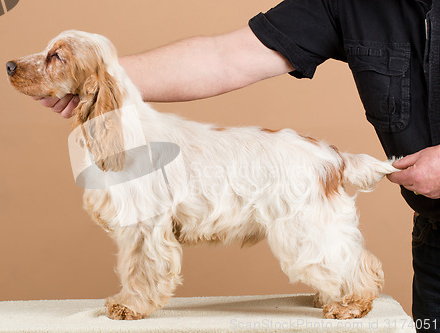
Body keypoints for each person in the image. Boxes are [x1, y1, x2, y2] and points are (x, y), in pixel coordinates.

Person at [36, 1, 440, 331]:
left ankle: (354, 283)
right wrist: (95, 76)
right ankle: (351, 278)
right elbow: (222, 58)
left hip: (293, 167)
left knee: (299, 231)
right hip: (435, 245)